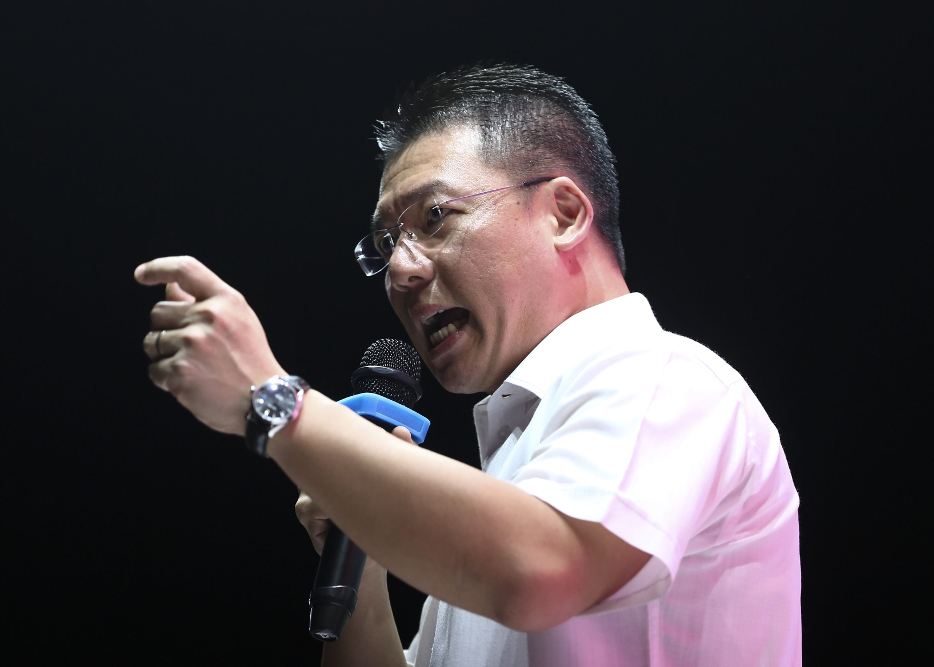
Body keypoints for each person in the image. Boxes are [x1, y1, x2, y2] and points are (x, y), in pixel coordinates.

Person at [136, 64, 801, 666]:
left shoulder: (664, 378)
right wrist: (364, 559)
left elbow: (543, 571)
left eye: (435, 216)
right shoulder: (512, 475)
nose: (400, 268)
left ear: (565, 213)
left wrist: (276, 402)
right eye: (386, 245)